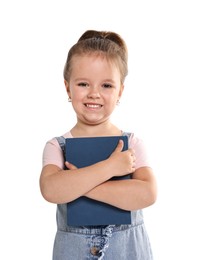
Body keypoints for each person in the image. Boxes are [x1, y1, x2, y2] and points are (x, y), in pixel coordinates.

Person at [40, 30, 157, 260]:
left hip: (128, 252)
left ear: (120, 91)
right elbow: (51, 189)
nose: (94, 94)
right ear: (68, 88)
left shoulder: (132, 144)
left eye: (106, 86)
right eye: (83, 83)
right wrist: (110, 168)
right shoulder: (57, 146)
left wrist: (82, 186)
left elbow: (148, 193)